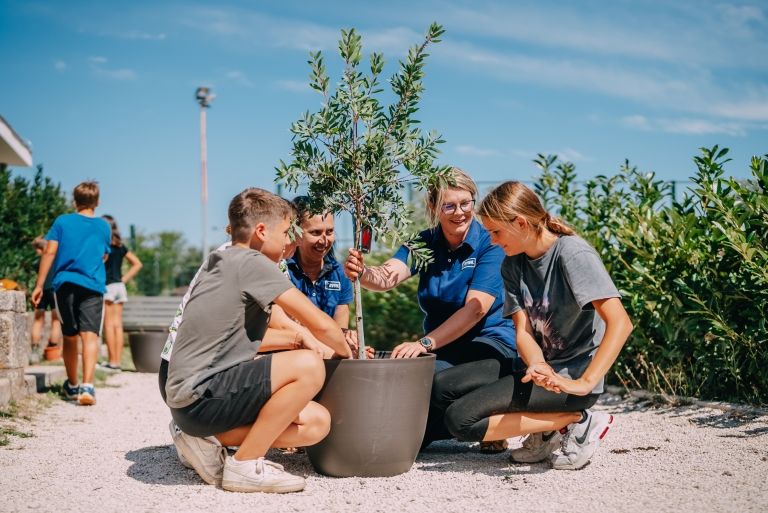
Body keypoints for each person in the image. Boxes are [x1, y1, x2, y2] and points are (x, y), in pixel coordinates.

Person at [159, 187, 353, 493]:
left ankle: (207, 439)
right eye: (287, 232)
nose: (290, 240)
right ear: (261, 231)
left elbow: (271, 330)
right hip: (199, 395)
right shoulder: (252, 263)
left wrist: (304, 338)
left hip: (191, 402)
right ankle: (245, 465)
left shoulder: (224, 259)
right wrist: (347, 352)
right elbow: (319, 323)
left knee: (316, 423)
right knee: (308, 366)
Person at [430, 181, 633, 470]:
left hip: (572, 377)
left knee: (459, 420)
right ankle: (545, 430)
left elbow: (621, 323)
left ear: (521, 223)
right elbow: (522, 331)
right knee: (442, 386)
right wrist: (537, 363)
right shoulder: (513, 264)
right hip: (538, 369)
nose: (494, 241)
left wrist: (585, 383)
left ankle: (576, 420)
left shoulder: (572, 254)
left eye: (496, 232)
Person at [344, 167, 516, 451]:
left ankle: (491, 413)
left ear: (474, 202)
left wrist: (424, 343)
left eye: (466, 203)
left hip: (490, 345)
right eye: (449, 205)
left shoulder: (490, 241)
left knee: (432, 381)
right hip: (447, 350)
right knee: (414, 424)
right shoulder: (425, 242)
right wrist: (362, 272)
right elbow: (387, 276)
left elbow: (476, 309)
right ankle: (462, 420)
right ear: (434, 207)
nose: (459, 212)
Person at [31, 181, 111, 406]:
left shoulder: (62, 222)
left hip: (65, 284)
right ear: (97, 202)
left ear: (74, 200)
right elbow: (104, 255)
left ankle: (72, 385)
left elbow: (50, 251)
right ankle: (88, 386)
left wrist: (39, 285)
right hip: (93, 285)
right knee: (90, 335)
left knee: (70, 335)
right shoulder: (104, 226)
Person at [100, 215, 142, 371]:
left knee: (109, 326)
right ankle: (117, 362)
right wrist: (123, 279)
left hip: (108, 287)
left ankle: (113, 363)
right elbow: (137, 263)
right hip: (119, 287)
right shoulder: (120, 245)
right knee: (118, 326)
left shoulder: (104, 245)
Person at [30, 237, 62, 363]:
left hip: (41, 290)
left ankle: (34, 352)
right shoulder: (55, 258)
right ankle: (52, 350)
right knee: (56, 321)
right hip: (55, 290)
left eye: (36, 250)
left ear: (40, 248)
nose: (36, 253)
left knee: (37, 321)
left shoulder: (38, 261)